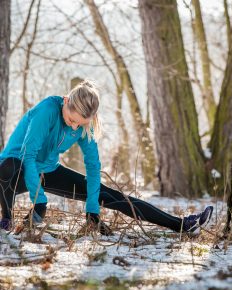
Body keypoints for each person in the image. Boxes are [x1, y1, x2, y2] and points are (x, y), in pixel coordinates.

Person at [0, 80, 213, 235]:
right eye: (71, 119)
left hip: (47, 169)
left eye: (80, 123)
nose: (74, 126)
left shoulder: (85, 125)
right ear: (66, 102)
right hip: (15, 169)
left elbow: (93, 167)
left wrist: (93, 209)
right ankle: (6, 220)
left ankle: (182, 224)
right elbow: (28, 156)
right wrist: (40, 203)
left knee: (110, 195)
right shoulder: (47, 109)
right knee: (8, 168)